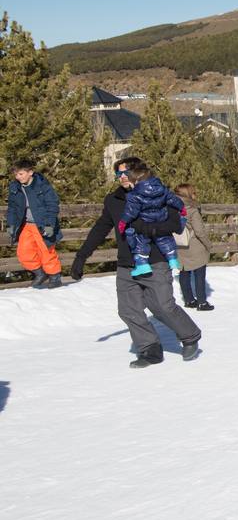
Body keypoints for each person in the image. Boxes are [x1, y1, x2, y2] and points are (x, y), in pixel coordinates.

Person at [71, 156, 201, 368]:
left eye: (126, 172)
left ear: (139, 172)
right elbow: (101, 228)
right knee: (128, 310)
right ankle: (149, 349)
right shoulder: (113, 200)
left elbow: (175, 223)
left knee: (162, 306)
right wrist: (81, 256)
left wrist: (151, 229)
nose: (123, 177)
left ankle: (190, 336)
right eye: (119, 174)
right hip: (126, 264)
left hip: (156, 260)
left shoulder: (157, 194)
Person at [117, 162, 185, 277]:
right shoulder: (163, 190)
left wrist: (123, 222)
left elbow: (131, 212)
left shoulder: (134, 195)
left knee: (140, 242)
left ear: (137, 182)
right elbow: (173, 200)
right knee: (165, 239)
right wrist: (182, 208)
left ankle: (143, 266)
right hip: (161, 219)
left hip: (146, 221)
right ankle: (173, 260)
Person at [7, 158, 63, 288]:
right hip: (26, 225)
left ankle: (55, 277)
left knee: (46, 250)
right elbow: (12, 208)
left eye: (21, 174)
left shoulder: (43, 185)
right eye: (16, 174)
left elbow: (52, 205)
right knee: (24, 252)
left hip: (42, 223)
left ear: (30, 172)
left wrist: (50, 224)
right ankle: (40, 273)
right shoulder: (15, 187)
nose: (18, 177)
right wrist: (11, 224)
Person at [173, 184, 213, 311]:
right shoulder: (192, 210)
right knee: (199, 274)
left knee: (184, 272)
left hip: (180, 245)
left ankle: (189, 300)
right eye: (194, 192)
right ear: (189, 194)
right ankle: (202, 302)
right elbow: (199, 231)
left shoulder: (172, 208)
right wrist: (208, 245)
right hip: (195, 245)